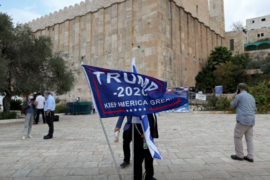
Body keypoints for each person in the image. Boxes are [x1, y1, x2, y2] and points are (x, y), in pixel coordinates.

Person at [230, 83, 257, 163]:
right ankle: (250, 156)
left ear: (238, 89)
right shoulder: (251, 96)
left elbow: (231, 106)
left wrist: (234, 96)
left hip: (242, 120)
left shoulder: (239, 96)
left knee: (237, 137)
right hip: (251, 120)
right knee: (249, 139)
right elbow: (255, 109)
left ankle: (239, 155)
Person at [133, 114, 158, 180]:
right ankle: (137, 177)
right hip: (140, 136)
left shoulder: (151, 108)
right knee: (138, 158)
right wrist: (141, 132)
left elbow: (153, 120)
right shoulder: (139, 107)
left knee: (149, 156)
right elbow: (134, 121)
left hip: (150, 136)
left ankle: (149, 175)